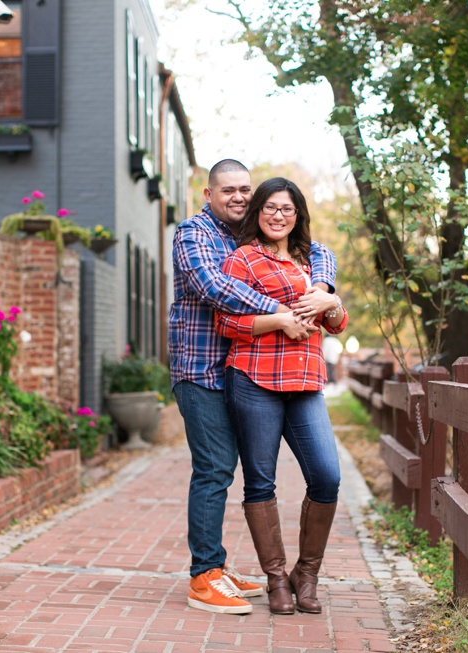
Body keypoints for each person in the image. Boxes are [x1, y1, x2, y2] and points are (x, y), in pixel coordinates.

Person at [169, 160, 339, 615]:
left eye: (245, 189)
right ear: (208, 194)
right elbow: (213, 287)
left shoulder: (246, 234)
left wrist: (324, 287)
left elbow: (313, 249)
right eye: (228, 190)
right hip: (200, 370)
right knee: (215, 471)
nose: (239, 197)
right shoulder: (194, 234)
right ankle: (204, 577)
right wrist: (288, 313)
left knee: (242, 472)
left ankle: (219, 569)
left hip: (239, 371)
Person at [215, 177, 348, 615]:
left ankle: (305, 575)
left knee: (327, 476)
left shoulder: (316, 262)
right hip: (254, 379)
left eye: (287, 209)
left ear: (298, 216)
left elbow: (337, 324)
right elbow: (226, 324)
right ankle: (276, 580)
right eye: (270, 207)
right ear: (258, 212)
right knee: (260, 481)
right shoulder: (243, 260)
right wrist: (281, 321)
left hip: (306, 383)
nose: (278, 216)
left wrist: (332, 301)